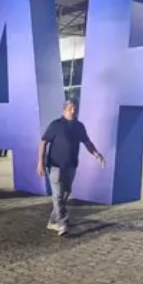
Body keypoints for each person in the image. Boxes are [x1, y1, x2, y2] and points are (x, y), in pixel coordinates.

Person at [37, 100, 106, 236]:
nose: (73, 111)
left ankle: (52, 220)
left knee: (65, 193)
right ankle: (63, 223)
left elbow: (87, 143)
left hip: (71, 165)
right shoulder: (55, 125)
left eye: (75, 109)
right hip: (55, 165)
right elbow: (43, 143)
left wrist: (97, 154)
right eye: (70, 108)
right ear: (64, 110)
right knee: (57, 196)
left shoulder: (79, 127)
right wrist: (40, 162)